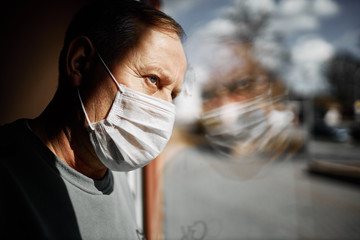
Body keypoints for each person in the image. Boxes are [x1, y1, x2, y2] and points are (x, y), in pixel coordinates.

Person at [0, 0, 187, 239]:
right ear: (80, 63)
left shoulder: (116, 171)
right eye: (152, 79)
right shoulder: (10, 180)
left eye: (173, 94)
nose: (165, 107)